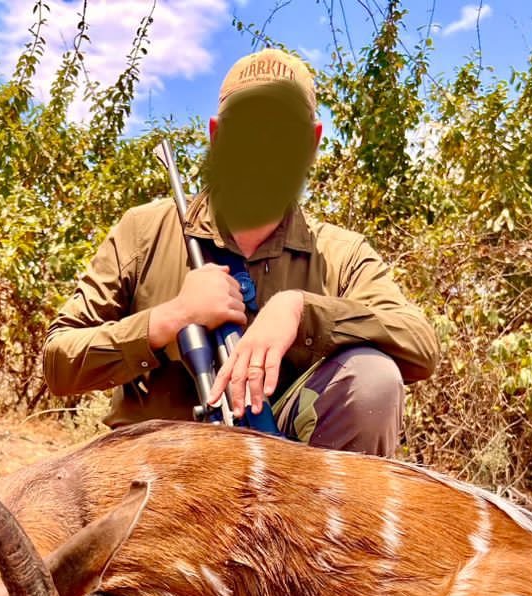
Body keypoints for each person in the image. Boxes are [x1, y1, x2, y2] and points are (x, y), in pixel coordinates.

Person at [42, 49, 438, 457]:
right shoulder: (143, 230)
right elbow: (58, 362)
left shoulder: (341, 254)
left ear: (312, 143)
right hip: (153, 468)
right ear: (217, 136)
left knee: (373, 379)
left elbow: (420, 344)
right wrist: (168, 321)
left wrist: (302, 313)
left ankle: (323, 522)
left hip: (283, 474)